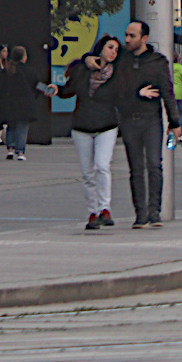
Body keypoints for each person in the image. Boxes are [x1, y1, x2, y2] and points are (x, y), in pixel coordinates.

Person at [113, 21, 182, 229]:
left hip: (151, 119)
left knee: (154, 165)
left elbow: (167, 91)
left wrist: (174, 121)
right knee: (136, 168)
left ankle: (154, 211)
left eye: (132, 36)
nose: (127, 39)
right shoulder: (122, 60)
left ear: (144, 38)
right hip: (129, 119)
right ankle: (140, 213)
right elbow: (117, 88)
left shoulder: (156, 61)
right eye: (126, 35)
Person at [57, 34, 122, 230]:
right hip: (82, 125)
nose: (113, 52)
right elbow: (69, 90)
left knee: (102, 166)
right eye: (110, 47)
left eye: (116, 50)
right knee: (87, 173)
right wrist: (56, 89)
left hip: (106, 125)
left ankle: (105, 208)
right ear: (101, 48)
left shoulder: (117, 73)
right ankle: (92, 212)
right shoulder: (82, 69)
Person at [0, 46, 54, 160]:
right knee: (22, 127)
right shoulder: (29, 71)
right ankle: (20, 152)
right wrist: (49, 90)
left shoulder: (7, 70)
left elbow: (0, 86)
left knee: (11, 126)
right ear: (24, 57)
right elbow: (37, 86)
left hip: (10, 103)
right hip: (25, 104)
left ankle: (10, 149)